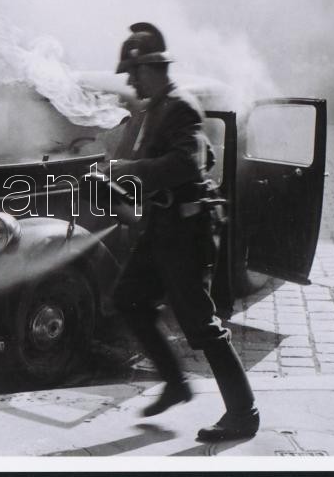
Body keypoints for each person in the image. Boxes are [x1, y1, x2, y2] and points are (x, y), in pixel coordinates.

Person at [107, 23, 260, 442]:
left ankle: (243, 413)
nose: (130, 82)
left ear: (150, 67)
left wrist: (129, 170)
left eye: (133, 72)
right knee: (128, 300)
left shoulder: (180, 107)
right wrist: (113, 178)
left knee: (201, 325)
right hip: (161, 227)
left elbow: (186, 164)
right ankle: (175, 384)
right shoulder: (154, 108)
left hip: (186, 232)